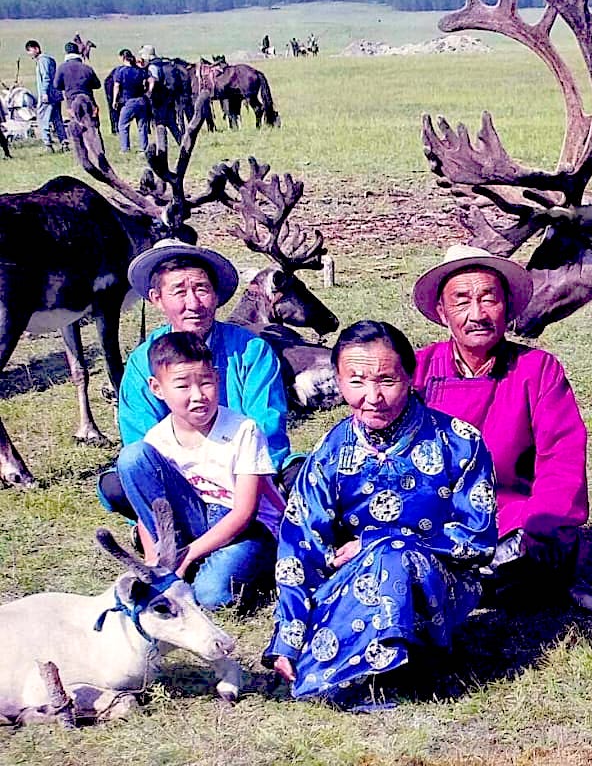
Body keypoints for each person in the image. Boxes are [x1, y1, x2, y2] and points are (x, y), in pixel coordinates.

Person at [264, 321, 497, 706]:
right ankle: (371, 671)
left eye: (387, 380)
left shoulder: (459, 441)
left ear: (410, 376)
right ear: (338, 382)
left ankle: (398, 671)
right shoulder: (330, 451)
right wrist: (288, 635)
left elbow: (477, 541)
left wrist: (380, 543)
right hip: (355, 584)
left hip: (440, 586)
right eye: (355, 382)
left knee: (394, 557)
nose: (372, 396)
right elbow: (299, 542)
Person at [411, 244, 588, 601]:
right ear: (443, 312)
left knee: (541, 557)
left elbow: (562, 459)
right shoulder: (418, 370)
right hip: (433, 521)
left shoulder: (538, 370)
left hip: (512, 521)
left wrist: (541, 526)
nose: (477, 314)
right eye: (462, 301)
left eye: (488, 298)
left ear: (506, 307)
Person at [98, 239, 297, 520]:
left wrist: (225, 478)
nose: (193, 303)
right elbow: (140, 442)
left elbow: (268, 430)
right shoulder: (143, 362)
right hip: (177, 481)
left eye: (201, 289)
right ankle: (175, 528)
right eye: (179, 291)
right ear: (157, 298)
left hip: (244, 475)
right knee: (117, 483)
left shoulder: (252, 351)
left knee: (299, 473)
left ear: (215, 295)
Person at [115, 331, 281, 608]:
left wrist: (190, 554)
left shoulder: (243, 430)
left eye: (205, 383)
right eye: (182, 386)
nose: (198, 396)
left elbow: (244, 512)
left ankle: (248, 571)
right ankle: (175, 563)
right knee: (132, 458)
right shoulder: (157, 439)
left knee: (212, 597)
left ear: (217, 377)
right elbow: (149, 512)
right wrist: (152, 561)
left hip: (244, 528)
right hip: (192, 519)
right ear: (157, 388)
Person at [24, 39, 66, 151]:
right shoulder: (50, 59)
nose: (29, 53)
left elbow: (46, 77)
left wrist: (44, 93)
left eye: (30, 50)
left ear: (36, 48)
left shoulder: (42, 61)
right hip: (56, 94)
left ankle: (48, 144)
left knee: (43, 119)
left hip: (48, 95)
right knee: (57, 119)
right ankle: (64, 142)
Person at [52, 40, 101, 128]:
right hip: (88, 100)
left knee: (77, 126)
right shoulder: (87, 68)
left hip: (72, 101)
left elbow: (56, 85)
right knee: (93, 126)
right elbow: (97, 85)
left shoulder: (62, 68)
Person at [141, 44, 183, 144]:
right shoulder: (163, 64)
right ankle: (182, 142)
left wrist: (149, 93)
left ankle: (161, 146)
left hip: (159, 99)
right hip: (169, 97)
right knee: (172, 123)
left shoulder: (152, 66)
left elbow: (154, 81)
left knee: (159, 123)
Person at [111, 49, 151, 153]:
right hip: (141, 100)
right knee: (142, 126)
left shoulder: (120, 71)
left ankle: (125, 149)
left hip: (129, 101)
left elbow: (116, 86)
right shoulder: (139, 70)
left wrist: (114, 100)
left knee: (123, 125)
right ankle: (144, 148)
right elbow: (147, 81)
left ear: (123, 58)